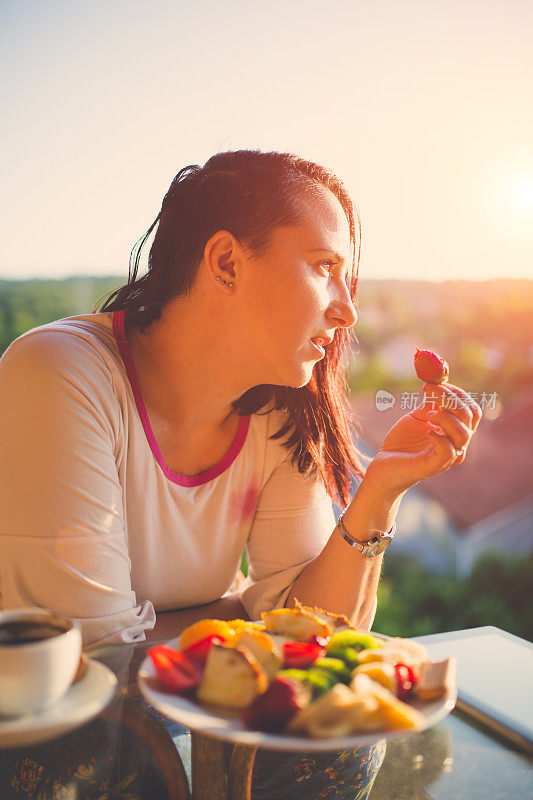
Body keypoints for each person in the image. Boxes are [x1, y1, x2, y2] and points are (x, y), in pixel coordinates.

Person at [0, 148, 481, 799]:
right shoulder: (59, 373)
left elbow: (311, 638)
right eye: (323, 268)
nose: (347, 311)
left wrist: (379, 492)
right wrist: (244, 615)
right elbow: (96, 661)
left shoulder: (276, 410)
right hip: (54, 729)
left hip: (172, 714)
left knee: (337, 742)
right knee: (91, 757)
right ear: (226, 261)